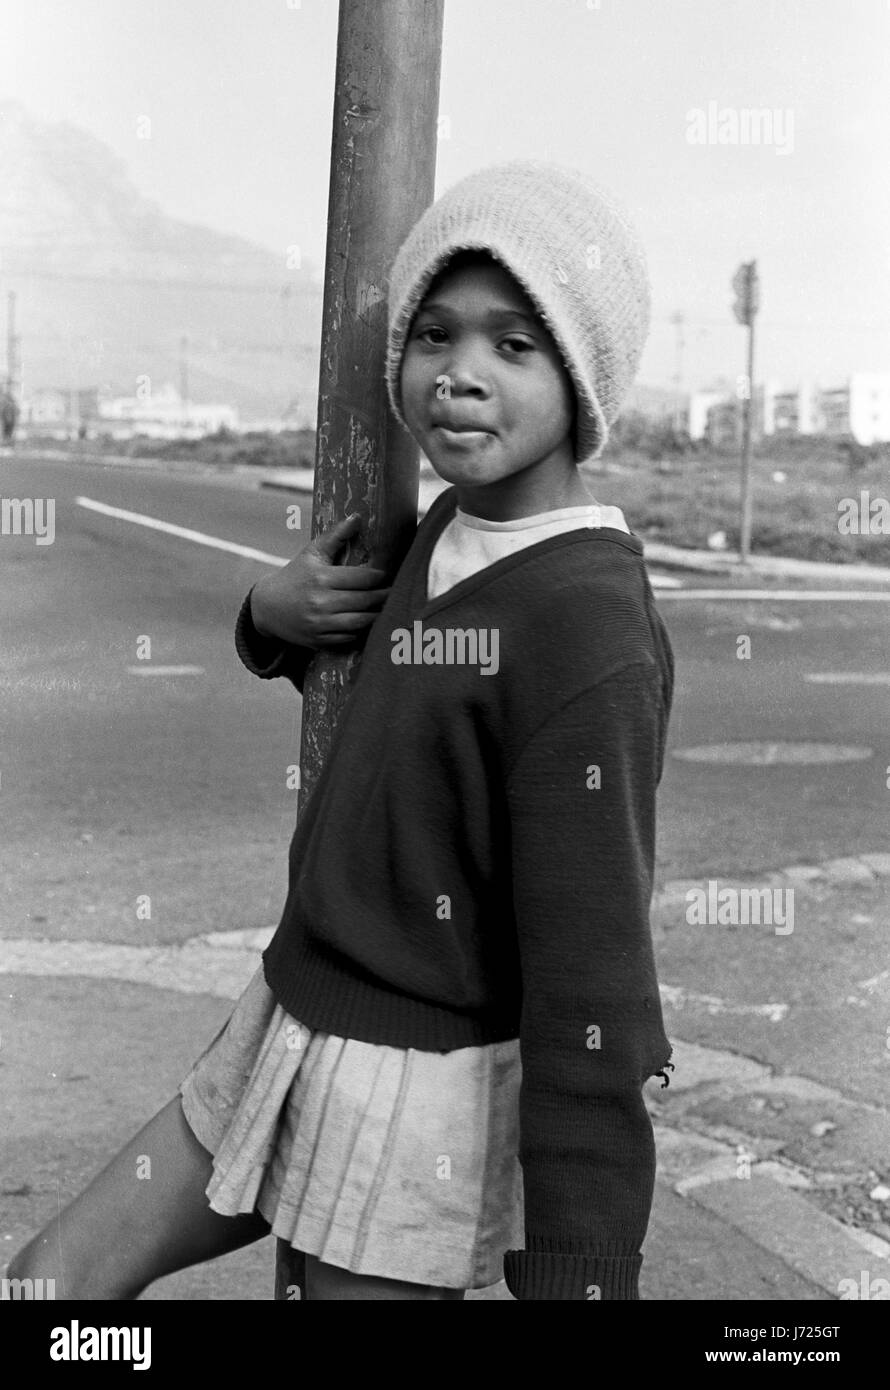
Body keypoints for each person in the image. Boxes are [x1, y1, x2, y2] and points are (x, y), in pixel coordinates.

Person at [6, 160, 675, 1302]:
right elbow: (375, 700)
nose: (460, 376)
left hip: (419, 1093)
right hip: (288, 1011)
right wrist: (270, 615)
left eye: (514, 346)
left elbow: (593, 982)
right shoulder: (443, 528)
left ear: (583, 379)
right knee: (49, 1284)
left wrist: (581, 1275)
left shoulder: (585, 629)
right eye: (436, 335)